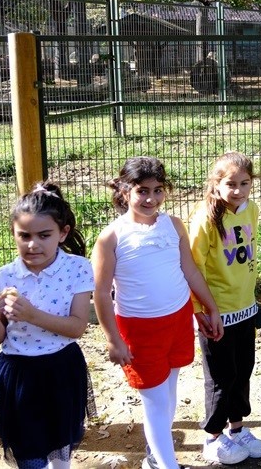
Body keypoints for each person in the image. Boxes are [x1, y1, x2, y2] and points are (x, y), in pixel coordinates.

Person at [92, 156, 224, 469]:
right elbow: (100, 292)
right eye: (142, 191)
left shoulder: (173, 224)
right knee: (153, 399)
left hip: (177, 319)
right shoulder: (112, 236)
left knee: (168, 390)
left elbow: (189, 270)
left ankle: (156, 457)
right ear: (125, 192)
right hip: (138, 328)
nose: (151, 198)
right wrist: (113, 339)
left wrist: (209, 306)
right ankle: (167, 464)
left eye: (158, 189)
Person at [0, 182, 95, 469]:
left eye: (44, 235)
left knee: (60, 444)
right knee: (29, 453)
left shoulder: (77, 268)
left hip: (62, 369)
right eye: (24, 236)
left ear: (63, 233)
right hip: (18, 374)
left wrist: (32, 315)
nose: (33, 244)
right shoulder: (4, 275)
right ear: (13, 234)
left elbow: (77, 327)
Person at [188, 152, 261, 465]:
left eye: (244, 183)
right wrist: (202, 310)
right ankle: (212, 436)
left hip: (245, 308)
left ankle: (238, 429)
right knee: (220, 376)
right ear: (216, 184)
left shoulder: (252, 210)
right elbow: (194, 266)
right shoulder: (206, 218)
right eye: (230, 184)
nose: (238, 190)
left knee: (242, 370)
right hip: (215, 311)